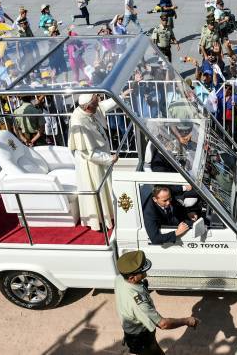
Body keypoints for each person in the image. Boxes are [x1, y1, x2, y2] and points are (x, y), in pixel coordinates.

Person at [115, 250, 200, 355]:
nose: (146, 272)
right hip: (141, 340)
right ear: (132, 278)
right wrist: (187, 321)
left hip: (138, 335)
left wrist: (142, 286)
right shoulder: (139, 304)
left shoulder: (120, 279)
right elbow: (163, 324)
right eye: (142, 271)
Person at [68, 93, 127, 231]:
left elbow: (103, 106)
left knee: (106, 190)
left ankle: (110, 215)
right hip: (92, 165)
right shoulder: (78, 122)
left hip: (101, 158)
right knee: (98, 191)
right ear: (88, 106)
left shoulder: (88, 109)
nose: (99, 103)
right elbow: (88, 153)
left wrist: (121, 96)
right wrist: (109, 159)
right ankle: (99, 221)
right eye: (96, 102)